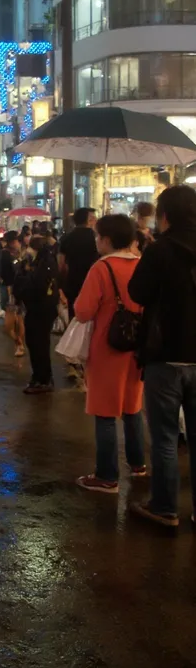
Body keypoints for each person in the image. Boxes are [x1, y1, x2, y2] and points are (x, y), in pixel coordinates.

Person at [128, 185, 196, 527]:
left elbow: (136, 292)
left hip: (165, 354)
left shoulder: (160, 251)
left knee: (166, 436)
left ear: (165, 215)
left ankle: (166, 508)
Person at [74, 214, 145, 493]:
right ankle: (138, 465)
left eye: (97, 236)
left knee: (104, 410)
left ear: (105, 239)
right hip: (138, 345)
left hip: (108, 347)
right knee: (132, 406)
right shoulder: (142, 264)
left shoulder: (102, 269)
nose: (95, 241)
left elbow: (82, 311)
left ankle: (107, 476)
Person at [14, 236, 59, 394]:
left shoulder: (45, 264)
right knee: (35, 344)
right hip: (39, 309)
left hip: (41, 310)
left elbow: (35, 285)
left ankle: (43, 379)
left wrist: (24, 276)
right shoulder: (43, 262)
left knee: (39, 344)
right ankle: (39, 377)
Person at [58, 207, 98, 321]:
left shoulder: (66, 238)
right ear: (89, 220)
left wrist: (61, 285)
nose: (95, 220)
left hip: (73, 282)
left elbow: (61, 264)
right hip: (93, 281)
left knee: (74, 318)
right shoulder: (97, 238)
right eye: (93, 218)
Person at [1, 230, 25, 356]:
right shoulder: (9, 254)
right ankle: (19, 344)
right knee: (15, 321)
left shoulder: (19, 253)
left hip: (15, 290)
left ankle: (19, 344)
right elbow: (6, 272)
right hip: (13, 289)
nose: (18, 242)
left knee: (13, 323)